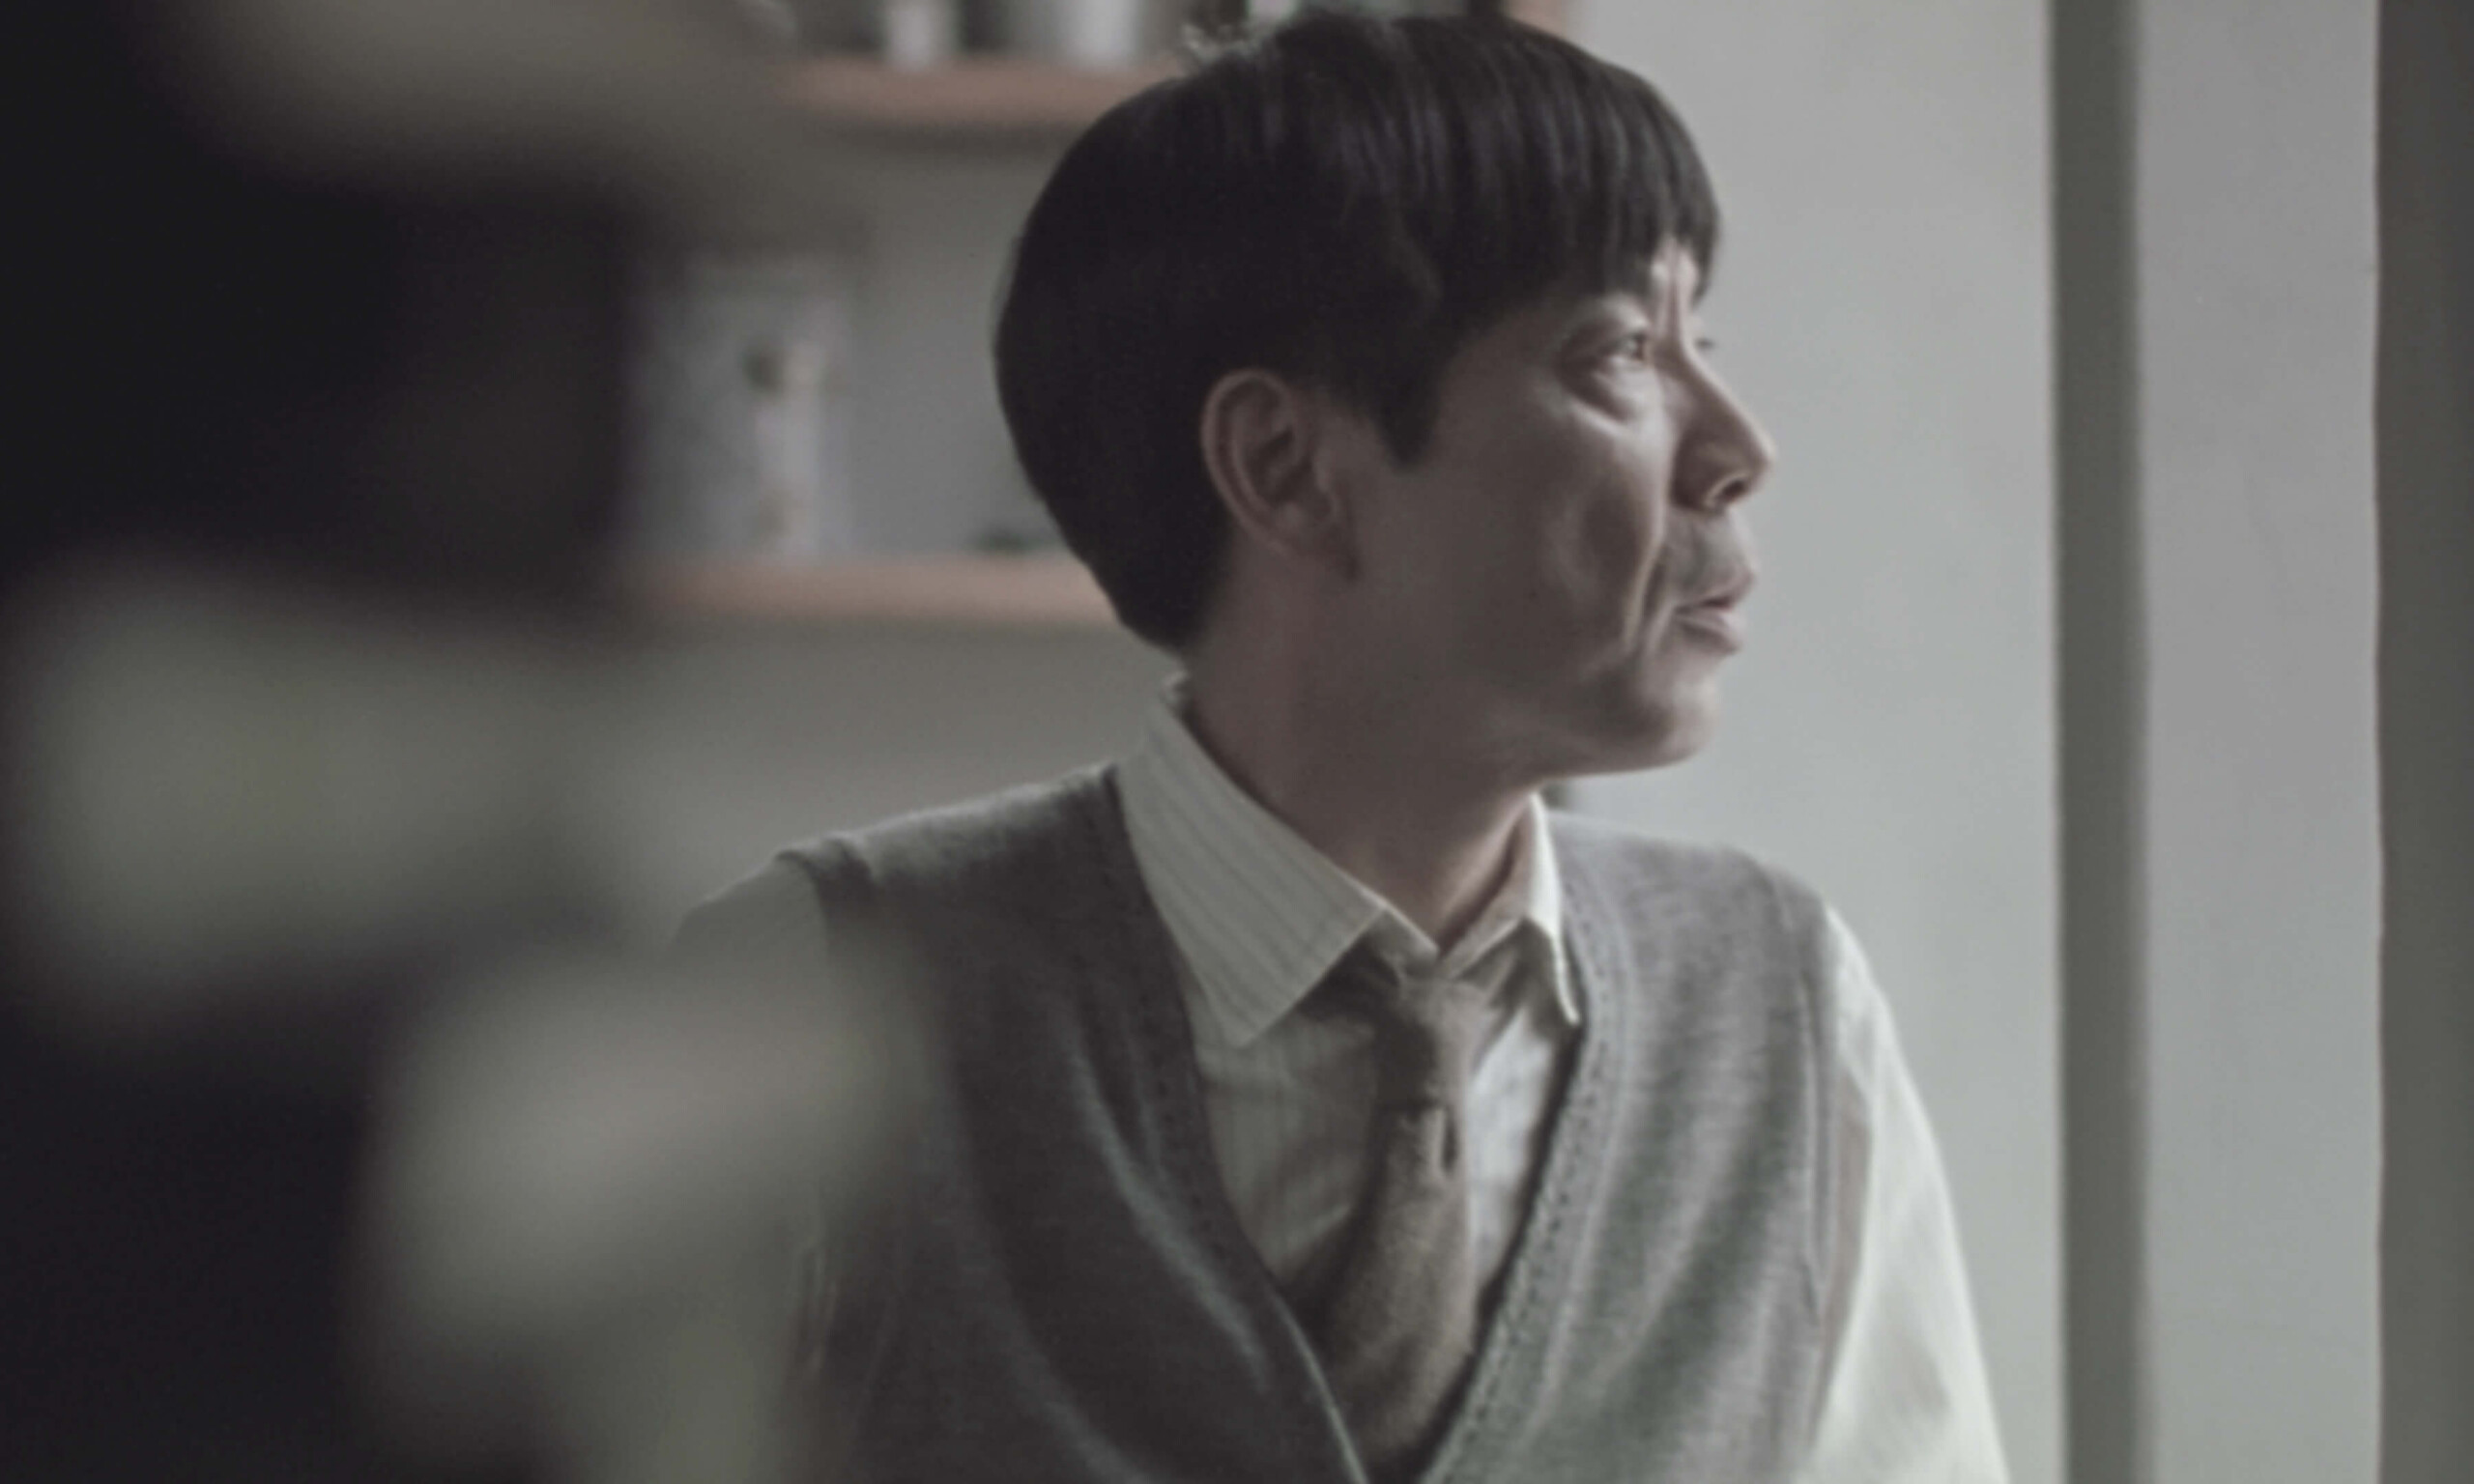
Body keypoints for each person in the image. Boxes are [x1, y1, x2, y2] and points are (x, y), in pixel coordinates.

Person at [682, 12, 2009, 1482]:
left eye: (1706, 342)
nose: (1739, 445)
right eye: (1625, 352)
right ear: (1286, 469)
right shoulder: (816, 1001)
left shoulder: (1785, 1010)